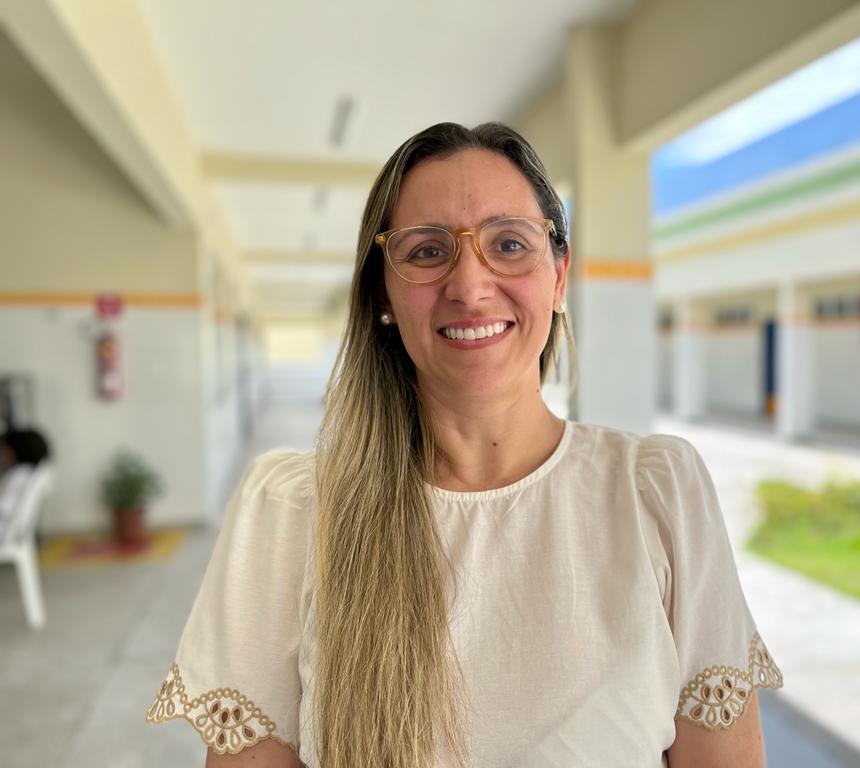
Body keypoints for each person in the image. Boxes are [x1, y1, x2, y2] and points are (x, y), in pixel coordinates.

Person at [146, 122, 782, 768]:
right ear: (383, 291)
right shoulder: (290, 515)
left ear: (558, 277)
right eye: (427, 251)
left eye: (509, 243)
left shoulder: (655, 495)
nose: (470, 287)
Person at [0, 428, 51, 542]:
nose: (1, 451)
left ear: (14, 451)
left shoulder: (18, 476)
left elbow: (4, 508)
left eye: (4, 447)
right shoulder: (28, 474)